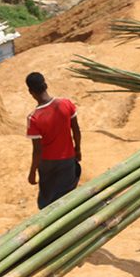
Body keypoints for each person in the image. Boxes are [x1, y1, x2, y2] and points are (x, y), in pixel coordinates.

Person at [25, 73, 82, 210]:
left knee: (48, 200)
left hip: (48, 164)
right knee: (67, 196)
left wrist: (33, 171)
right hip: (68, 158)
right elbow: (76, 131)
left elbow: (37, 150)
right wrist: (77, 149)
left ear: (31, 92)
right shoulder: (66, 104)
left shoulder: (34, 118)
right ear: (46, 85)